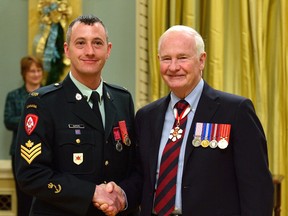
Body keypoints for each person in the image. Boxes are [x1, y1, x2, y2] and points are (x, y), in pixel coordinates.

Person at [117, 25, 274, 216]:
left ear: (201, 61)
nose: (173, 67)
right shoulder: (146, 116)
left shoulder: (235, 112)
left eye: (182, 58)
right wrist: (120, 195)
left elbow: (257, 190)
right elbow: (141, 178)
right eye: (166, 59)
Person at [15, 15, 138, 216]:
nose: (89, 51)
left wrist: (122, 195)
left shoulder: (122, 99)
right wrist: (91, 193)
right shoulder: (43, 103)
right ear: (67, 50)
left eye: (97, 43)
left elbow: (134, 167)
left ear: (108, 50)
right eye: (80, 43)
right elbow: (31, 174)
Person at [4, 55, 44, 216]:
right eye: (32, 71)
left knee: (43, 198)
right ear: (24, 74)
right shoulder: (14, 96)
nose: (36, 74)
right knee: (23, 198)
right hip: (19, 153)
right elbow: (8, 121)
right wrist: (31, 120)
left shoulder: (50, 94)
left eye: (39, 70)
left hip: (45, 152)